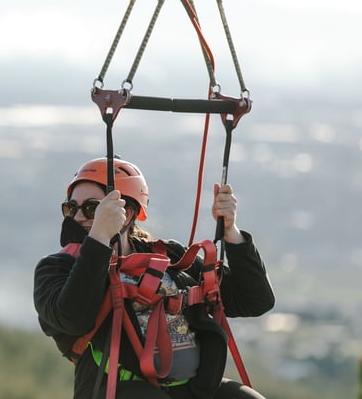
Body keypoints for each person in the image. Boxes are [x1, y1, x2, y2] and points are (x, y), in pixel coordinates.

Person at [33, 157, 275, 399]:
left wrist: (231, 231)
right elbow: (72, 318)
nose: (77, 218)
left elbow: (254, 300)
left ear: (126, 215)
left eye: (91, 208)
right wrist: (98, 238)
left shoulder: (167, 255)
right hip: (118, 390)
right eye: (71, 208)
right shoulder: (56, 269)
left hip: (196, 388)